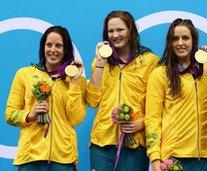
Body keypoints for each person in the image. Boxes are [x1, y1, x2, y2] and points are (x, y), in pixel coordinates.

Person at [85, 10, 159, 171]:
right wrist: (99, 62)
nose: (115, 35)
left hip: (134, 143)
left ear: (130, 30)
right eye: (110, 31)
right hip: (101, 142)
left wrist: (141, 123)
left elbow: (161, 106)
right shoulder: (100, 62)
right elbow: (92, 101)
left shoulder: (150, 61)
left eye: (120, 30)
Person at [5, 26, 86, 171]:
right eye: (49, 45)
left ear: (66, 49)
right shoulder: (24, 74)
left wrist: (73, 83)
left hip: (63, 158)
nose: (53, 50)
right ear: (43, 47)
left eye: (59, 45)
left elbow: (76, 118)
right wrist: (30, 115)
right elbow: (10, 114)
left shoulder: (76, 80)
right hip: (31, 157)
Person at [145, 18, 207, 171]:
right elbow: (152, 118)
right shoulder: (160, 74)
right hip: (174, 158)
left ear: (194, 41)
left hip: (206, 158)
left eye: (185, 38)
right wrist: (155, 158)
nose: (180, 43)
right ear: (170, 43)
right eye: (175, 38)